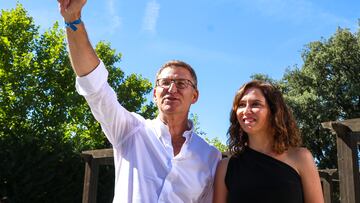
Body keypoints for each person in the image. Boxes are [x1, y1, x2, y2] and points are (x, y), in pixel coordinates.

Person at [57, 0, 221, 202]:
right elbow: (94, 87)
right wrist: (72, 19)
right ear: (154, 94)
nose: (171, 89)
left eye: (181, 83)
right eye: (165, 82)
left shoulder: (210, 156)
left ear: (194, 96)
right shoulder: (130, 130)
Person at [213, 80, 324, 203]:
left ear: (274, 111)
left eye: (255, 104)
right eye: (241, 105)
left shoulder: (301, 158)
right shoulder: (225, 167)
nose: (246, 111)